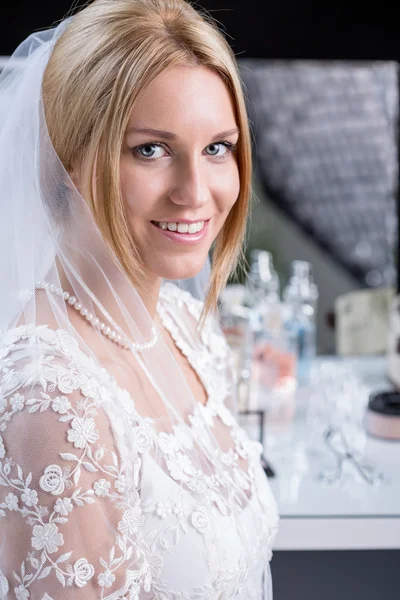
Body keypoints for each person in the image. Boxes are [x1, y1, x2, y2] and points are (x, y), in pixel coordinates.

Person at [0, 0, 279, 598]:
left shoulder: (182, 326)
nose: (195, 193)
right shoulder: (51, 399)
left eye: (218, 148)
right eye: (150, 149)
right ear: (66, 160)